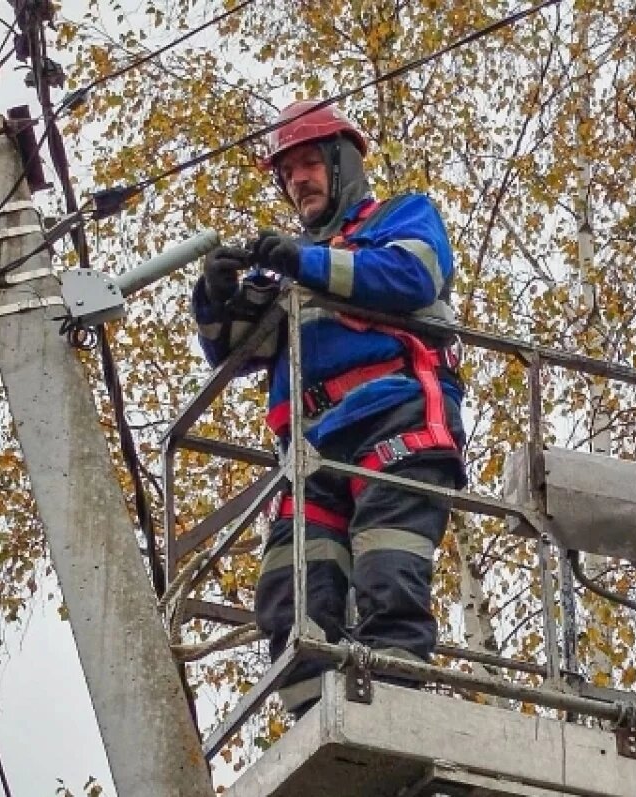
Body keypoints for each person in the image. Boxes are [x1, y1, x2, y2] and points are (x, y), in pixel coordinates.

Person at [190, 100, 467, 717]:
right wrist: (213, 300)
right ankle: (320, 730)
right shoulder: (297, 271)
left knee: (387, 571)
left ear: (344, 164)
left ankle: (392, 718)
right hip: (312, 452)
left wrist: (303, 261)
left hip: (394, 423)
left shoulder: (401, 217)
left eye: (311, 164)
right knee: (291, 596)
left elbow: (412, 275)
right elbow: (234, 353)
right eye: (288, 174)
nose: (299, 182)